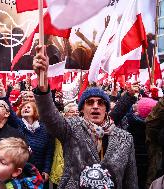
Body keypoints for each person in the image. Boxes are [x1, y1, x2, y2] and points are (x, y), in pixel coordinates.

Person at [32, 45, 138, 189]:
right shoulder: (71, 129)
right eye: (90, 102)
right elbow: (49, 116)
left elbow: (130, 180)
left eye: (100, 103)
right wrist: (42, 84)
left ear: (106, 109)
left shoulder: (125, 138)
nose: (95, 106)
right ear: (82, 109)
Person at [16, 101, 54, 183]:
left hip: (38, 172)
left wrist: (46, 170)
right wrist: (4, 96)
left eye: (28, 107)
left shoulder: (45, 129)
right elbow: (11, 115)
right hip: (19, 171)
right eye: (23, 107)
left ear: (35, 110)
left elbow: (49, 151)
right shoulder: (18, 124)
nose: (25, 108)